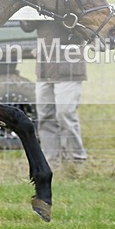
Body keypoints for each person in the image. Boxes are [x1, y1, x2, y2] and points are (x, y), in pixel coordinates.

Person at [21, 20, 88, 163]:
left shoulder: (71, 6)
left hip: (69, 69)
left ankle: (76, 160)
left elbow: (84, 27)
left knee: (65, 114)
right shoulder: (41, 9)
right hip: (45, 69)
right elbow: (26, 25)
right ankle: (51, 161)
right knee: (45, 116)